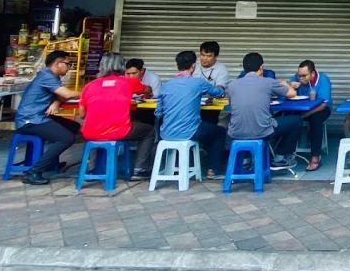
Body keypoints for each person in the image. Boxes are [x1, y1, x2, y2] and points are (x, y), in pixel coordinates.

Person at [79, 52, 156, 179]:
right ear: (122, 66)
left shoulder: (89, 86)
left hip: (90, 132)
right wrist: (146, 93)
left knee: (96, 132)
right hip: (118, 131)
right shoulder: (128, 82)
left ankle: (91, 168)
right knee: (149, 131)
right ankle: (140, 169)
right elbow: (148, 90)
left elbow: (82, 115)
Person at [13, 50, 80, 185]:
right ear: (57, 63)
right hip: (30, 120)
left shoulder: (52, 77)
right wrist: (91, 92)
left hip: (39, 116)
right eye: (68, 64)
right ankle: (33, 172)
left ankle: (49, 161)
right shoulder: (47, 76)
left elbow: (60, 96)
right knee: (67, 138)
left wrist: (56, 102)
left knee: (73, 126)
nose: (69, 67)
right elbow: (66, 94)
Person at [156, 50, 227, 178]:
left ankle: (175, 165)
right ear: (194, 66)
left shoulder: (166, 86)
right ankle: (213, 170)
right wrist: (221, 90)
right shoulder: (198, 83)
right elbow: (218, 92)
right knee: (219, 132)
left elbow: (158, 113)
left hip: (166, 133)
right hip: (191, 131)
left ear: (177, 66)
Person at [227, 52, 302, 167]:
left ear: (244, 68)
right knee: (296, 120)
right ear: (261, 68)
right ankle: (280, 157)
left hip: (236, 132)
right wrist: (284, 83)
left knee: (247, 122)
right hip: (261, 132)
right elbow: (292, 93)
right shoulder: (268, 82)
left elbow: (233, 104)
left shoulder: (232, 85)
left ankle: (246, 159)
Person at [293, 59, 332, 172]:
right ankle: (283, 154)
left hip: (320, 109)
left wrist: (305, 115)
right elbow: (286, 86)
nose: (300, 78)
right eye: (299, 75)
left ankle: (315, 157)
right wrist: (290, 85)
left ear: (313, 74)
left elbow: (323, 105)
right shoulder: (298, 78)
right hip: (302, 109)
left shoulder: (323, 80)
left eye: (304, 76)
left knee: (315, 120)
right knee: (285, 116)